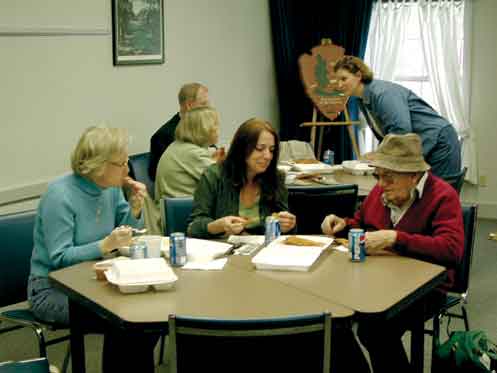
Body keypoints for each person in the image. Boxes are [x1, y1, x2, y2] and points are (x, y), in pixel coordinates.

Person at [321, 133, 464, 372]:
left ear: (413, 176)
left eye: (388, 177)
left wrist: (396, 238)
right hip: (379, 278)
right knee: (333, 318)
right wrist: (343, 225)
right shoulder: (381, 192)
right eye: (378, 175)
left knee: (374, 329)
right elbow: (362, 223)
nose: (380, 185)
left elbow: (451, 250)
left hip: (426, 288)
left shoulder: (443, 196)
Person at [27, 126, 158, 373]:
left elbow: (127, 234)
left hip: (96, 281)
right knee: (124, 321)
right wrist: (105, 245)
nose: (127, 169)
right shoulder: (60, 195)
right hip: (51, 289)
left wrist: (135, 209)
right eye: (121, 163)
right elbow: (60, 258)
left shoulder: (108, 188)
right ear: (100, 166)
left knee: (145, 320)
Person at [333, 55, 461, 179]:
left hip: (439, 140)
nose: (339, 85)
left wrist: (379, 155)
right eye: (336, 80)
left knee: (438, 195)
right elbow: (386, 134)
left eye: (343, 79)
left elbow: (401, 130)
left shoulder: (382, 93)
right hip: (424, 141)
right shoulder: (361, 99)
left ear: (358, 75)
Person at [188, 118, 296, 238]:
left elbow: (285, 229)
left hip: (263, 251)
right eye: (260, 149)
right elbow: (194, 227)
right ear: (242, 148)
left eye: (272, 150)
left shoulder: (276, 177)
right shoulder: (214, 176)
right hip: (224, 249)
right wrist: (218, 226)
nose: (268, 156)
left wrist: (288, 225)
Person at [145, 106, 221, 233]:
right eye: (216, 125)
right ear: (204, 129)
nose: (218, 129)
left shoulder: (181, 147)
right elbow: (225, 181)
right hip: (184, 218)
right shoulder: (192, 154)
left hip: (177, 212)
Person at [149, 82, 210, 180]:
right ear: (189, 105)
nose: (209, 108)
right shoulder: (162, 136)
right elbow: (156, 175)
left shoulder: (202, 127)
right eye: (204, 104)